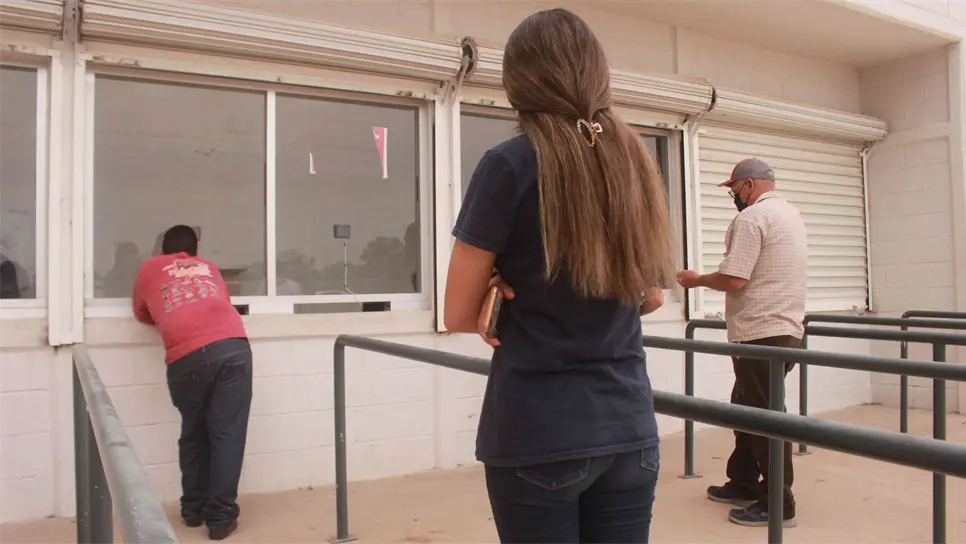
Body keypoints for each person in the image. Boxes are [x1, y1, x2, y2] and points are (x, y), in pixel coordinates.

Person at [443, 9, 675, 543]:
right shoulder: (633, 160)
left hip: (540, 432)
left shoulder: (509, 164)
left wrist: (498, 287)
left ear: (518, 80)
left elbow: (456, 312)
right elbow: (652, 297)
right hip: (629, 430)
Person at [677, 158, 807, 528]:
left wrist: (696, 280)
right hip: (786, 328)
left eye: (734, 188)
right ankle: (743, 481)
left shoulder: (751, 219)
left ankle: (779, 504)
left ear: (749, 184)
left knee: (765, 419)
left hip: (760, 332)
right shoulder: (790, 214)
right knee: (745, 408)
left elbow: (735, 279)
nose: (733, 195)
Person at [132, 225, 252, 541]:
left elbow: (142, 313)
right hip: (233, 346)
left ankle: (193, 509)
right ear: (195, 252)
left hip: (187, 354)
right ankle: (221, 518)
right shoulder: (209, 267)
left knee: (194, 431)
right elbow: (222, 301)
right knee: (227, 434)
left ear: (162, 250)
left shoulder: (150, 267)